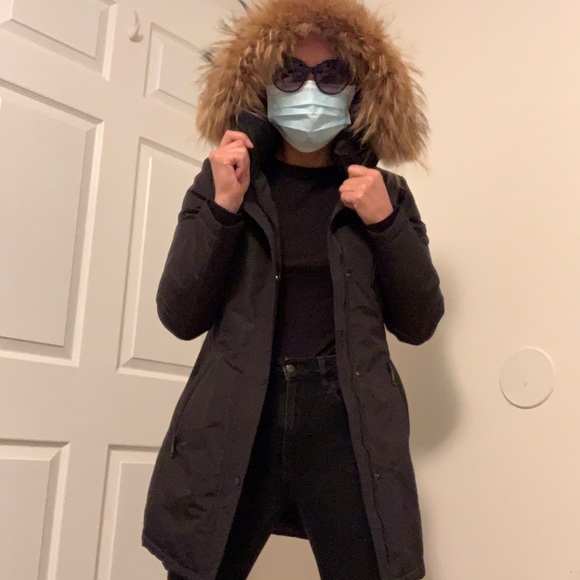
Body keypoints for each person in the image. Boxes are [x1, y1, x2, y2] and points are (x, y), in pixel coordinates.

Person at [142, 1, 444, 579]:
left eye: (330, 74)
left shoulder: (386, 193)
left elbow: (420, 322)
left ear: (358, 90)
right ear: (261, 85)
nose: (310, 90)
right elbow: (178, 314)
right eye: (289, 73)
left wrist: (384, 223)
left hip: (346, 421)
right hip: (237, 413)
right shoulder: (227, 182)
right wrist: (223, 208)